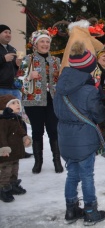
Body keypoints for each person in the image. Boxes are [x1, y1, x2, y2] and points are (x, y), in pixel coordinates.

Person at [53, 41, 105, 225]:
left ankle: (71, 210)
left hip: (65, 138)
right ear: (88, 69)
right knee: (86, 175)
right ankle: (90, 211)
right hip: (84, 139)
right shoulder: (89, 90)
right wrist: (101, 98)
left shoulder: (59, 88)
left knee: (72, 174)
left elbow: (57, 112)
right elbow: (99, 116)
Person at [20, 30, 63, 174]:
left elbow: (62, 80)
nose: (45, 44)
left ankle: (57, 161)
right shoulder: (27, 59)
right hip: (33, 101)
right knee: (37, 131)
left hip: (52, 100)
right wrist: (28, 76)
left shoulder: (56, 61)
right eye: (42, 41)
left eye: (47, 42)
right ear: (35, 44)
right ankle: (38, 162)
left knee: (53, 130)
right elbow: (16, 80)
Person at [0, 24, 32, 159]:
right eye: (5, 32)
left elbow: (18, 70)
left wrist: (18, 64)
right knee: (3, 120)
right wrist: (2, 59)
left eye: (10, 32)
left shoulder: (12, 49)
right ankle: (3, 150)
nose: (8, 34)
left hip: (14, 87)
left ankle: (19, 149)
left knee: (17, 119)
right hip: (1, 88)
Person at [0, 94, 32, 203]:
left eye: (17, 102)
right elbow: (2, 136)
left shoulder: (16, 118)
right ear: (5, 107)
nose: (17, 105)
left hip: (16, 150)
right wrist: (4, 148)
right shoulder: (3, 121)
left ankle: (13, 184)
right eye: (13, 103)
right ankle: (3, 188)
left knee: (15, 168)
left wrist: (25, 137)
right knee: (6, 170)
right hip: (7, 152)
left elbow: (20, 130)